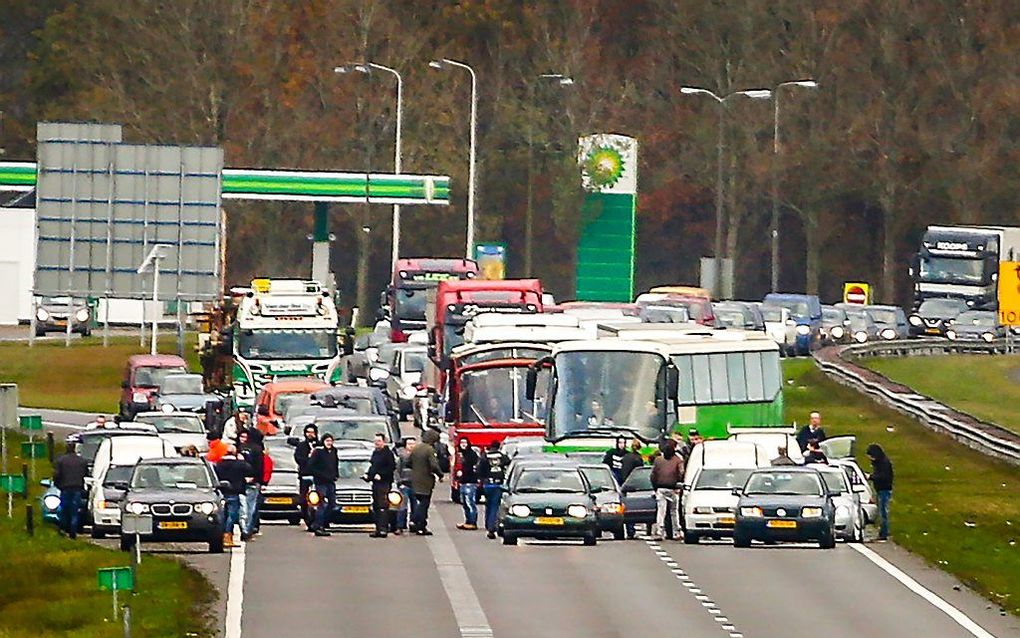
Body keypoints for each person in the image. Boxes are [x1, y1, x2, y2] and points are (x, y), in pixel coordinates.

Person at [215, 445, 254, 548]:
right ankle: (227, 536)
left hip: (222, 492)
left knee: (224, 515)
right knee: (233, 515)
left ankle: (224, 535)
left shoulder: (219, 464)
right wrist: (243, 460)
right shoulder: (239, 464)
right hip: (234, 491)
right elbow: (250, 470)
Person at [409, 429, 443, 536]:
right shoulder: (429, 450)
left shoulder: (416, 448)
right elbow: (434, 465)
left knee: (420, 502)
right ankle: (417, 521)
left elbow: (408, 462)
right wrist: (440, 474)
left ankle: (419, 524)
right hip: (426, 480)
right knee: (424, 504)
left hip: (415, 479)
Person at [53, 442, 89, 539]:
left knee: (64, 509)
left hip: (65, 488)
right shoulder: (82, 461)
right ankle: (73, 530)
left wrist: (57, 484)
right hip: (77, 488)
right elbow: (86, 474)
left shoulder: (61, 461)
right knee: (74, 511)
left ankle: (63, 529)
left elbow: (57, 475)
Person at [650, 439, 684, 541]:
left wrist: (655, 487)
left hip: (660, 488)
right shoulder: (678, 460)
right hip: (673, 488)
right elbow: (681, 473)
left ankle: (660, 531)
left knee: (661, 511)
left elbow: (653, 475)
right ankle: (676, 532)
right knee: (674, 511)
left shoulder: (658, 460)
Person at [307, 433, 340, 537]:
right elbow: (311, 466)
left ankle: (321, 523)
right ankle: (319, 526)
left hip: (331, 481)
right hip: (320, 482)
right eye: (327, 441)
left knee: (332, 504)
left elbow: (335, 463)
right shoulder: (318, 452)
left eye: (331, 441)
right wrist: (321, 475)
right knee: (322, 504)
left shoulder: (334, 451)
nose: (329, 443)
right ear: (323, 442)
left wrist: (336, 474)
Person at [365, 433, 396, 538]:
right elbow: (373, 466)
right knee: (376, 506)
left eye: (378, 441)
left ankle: (383, 529)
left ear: (384, 441)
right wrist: (368, 475)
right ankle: (378, 529)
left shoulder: (388, 453)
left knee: (383, 505)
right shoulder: (375, 453)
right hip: (375, 483)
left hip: (384, 483)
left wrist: (381, 475)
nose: (376, 443)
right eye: (375, 441)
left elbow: (391, 467)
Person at [477, 440, 510, 539]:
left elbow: (480, 470)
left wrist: (482, 480)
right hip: (498, 484)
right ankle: (492, 527)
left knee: (488, 505)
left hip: (488, 484)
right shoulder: (502, 456)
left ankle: (488, 524)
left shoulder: (485, 457)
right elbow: (508, 462)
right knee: (495, 506)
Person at [236, 429, 263, 541]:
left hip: (239, 481)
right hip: (253, 480)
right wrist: (259, 480)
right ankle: (247, 530)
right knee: (251, 507)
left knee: (241, 507)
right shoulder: (257, 449)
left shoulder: (239, 448)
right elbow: (260, 466)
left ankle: (241, 529)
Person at [867, 443, 894, 541]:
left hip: (884, 490)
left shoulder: (884, 463)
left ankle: (884, 532)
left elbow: (884, 476)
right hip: (880, 489)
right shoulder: (879, 463)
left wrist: (871, 477)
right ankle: (883, 531)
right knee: (882, 511)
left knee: (883, 512)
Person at [293, 424, 319, 529]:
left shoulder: (320, 445)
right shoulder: (301, 446)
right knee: (303, 499)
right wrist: (309, 458)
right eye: (308, 432)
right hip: (305, 475)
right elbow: (298, 459)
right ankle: (307, 519)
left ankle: (318, 521)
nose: (310, 434)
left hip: (318, 476)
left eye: (312, 432)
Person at [619, 439, 645, 539]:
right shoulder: (638, 458)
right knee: (633, 507)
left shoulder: (626, 457)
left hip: (624, 484)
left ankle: (627, 529)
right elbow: (640, 473)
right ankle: (631, 530)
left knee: (625, 507)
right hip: (634, 485)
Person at [455, 438, 480, 530]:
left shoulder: (471, 454)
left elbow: (471, 468)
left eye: (465, 442)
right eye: (461, 442)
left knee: (470, 502)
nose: (463, 444)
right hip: (463, 482)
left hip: (470, 482)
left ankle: (472, 522)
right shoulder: (460, 455)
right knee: (465, 503)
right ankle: (468, 521)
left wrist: (462, 472)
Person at [394, 437, 417, 534]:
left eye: (413, 444)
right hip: (404, 485)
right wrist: (399, 482)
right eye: (409, 444)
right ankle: (400, 526)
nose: (411, 446)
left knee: (415, 506)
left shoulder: (418, 457)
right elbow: (397, 470)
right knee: (402, 506)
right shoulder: (402, 456)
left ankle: (414, 524)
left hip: (416, 485)